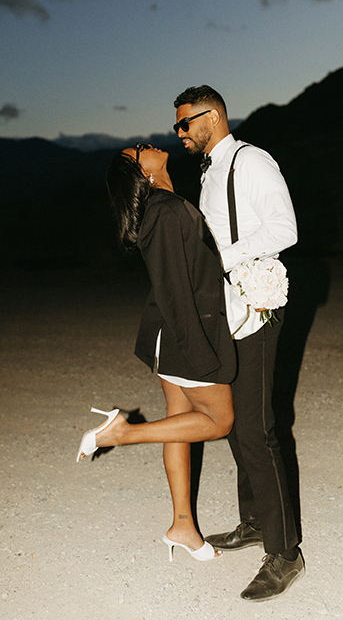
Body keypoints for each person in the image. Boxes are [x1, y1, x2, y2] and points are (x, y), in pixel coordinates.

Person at [173, 85, 304, 600]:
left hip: (259, 303)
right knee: (230, 421)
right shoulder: (209, 172)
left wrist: (222, 257)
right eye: (178, 125)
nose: (180, 133)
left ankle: (285, 552)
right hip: (229, 308)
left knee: (255, 426)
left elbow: (285, 228)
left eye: (186, 123)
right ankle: (253, 522)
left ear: (214, 116)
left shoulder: (251, 162)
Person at [76, 142, 236, 563]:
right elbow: (175, 292)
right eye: (138, 152)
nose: (147, 145)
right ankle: (121, 432)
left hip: (174, 335)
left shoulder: (165, 204)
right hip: (187, 334)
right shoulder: (164, 210)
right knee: (220, 421)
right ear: (141, 174)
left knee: (178, 425)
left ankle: (183, 525)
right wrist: (203, 353)